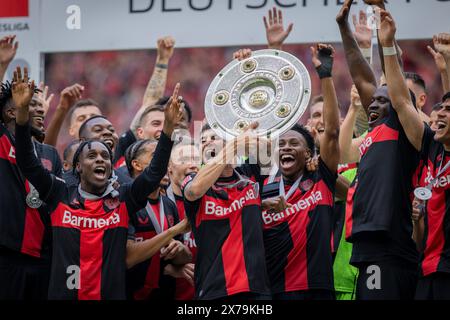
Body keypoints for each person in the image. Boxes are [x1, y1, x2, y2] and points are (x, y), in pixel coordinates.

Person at [13, 68, 188, 300]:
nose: (100, 160)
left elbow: (153, 174)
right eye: (92, 156)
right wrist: (22, 112)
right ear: (77, 166)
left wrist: (167, 130)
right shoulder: (59, 193)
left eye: (105, 156)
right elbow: (27, 161)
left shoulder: (123, 198)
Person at [337, 0, 420, 300]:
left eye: (382, 100)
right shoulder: (373, 134)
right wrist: (343, 29)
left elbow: (394, 87)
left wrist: (384, 35)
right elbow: (360, 76)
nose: (373, 103)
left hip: (391, 246)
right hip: (368, 246)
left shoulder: (401, 128)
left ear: (398, 105)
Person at [377, 11, 450, 299]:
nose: (438, 112)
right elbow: (400, 101)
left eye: (446, 110)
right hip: (428, 269)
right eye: (439, 109)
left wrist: (447, 68)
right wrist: (386, 45)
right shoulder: (432, 147)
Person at [260, 44, 340, 300]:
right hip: (274, 290)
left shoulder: (321, 177)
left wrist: (325, 76)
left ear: (308, 153)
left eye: (294, 143)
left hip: (317, 288)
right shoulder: (265, 187)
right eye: (281, 144)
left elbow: (333, 132)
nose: (285, 147)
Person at [124, 139, 192, 300]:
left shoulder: (169, 205)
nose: (164, 164)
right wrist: (173, 231)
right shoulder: (125, 203)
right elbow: (128, 259)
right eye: (156, 157)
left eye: (166, 158)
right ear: (137, 164)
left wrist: (180, 249)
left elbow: (185, 258)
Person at [167, 141, 201, 300]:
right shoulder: (159, 203)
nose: (193, 165)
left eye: (196, 160)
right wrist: (168, 269)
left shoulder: (214, 200)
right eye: (184, 159)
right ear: (169, 168)